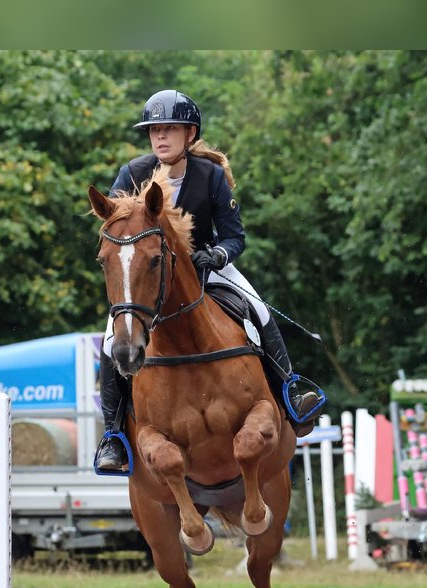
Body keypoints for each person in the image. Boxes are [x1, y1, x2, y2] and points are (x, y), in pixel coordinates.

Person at [94, 89, 325, 474]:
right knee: (109, 337)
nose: (161, 137)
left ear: (190, 134)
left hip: (207, 267)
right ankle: (113, 434)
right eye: (154, 131)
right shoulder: (132, 174)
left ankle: (290, 390)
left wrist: (217, 254)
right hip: (151, 275)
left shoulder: (211, 175)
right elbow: (121, 237)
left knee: (258, 310)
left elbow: (235, 235)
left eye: (169, 129)